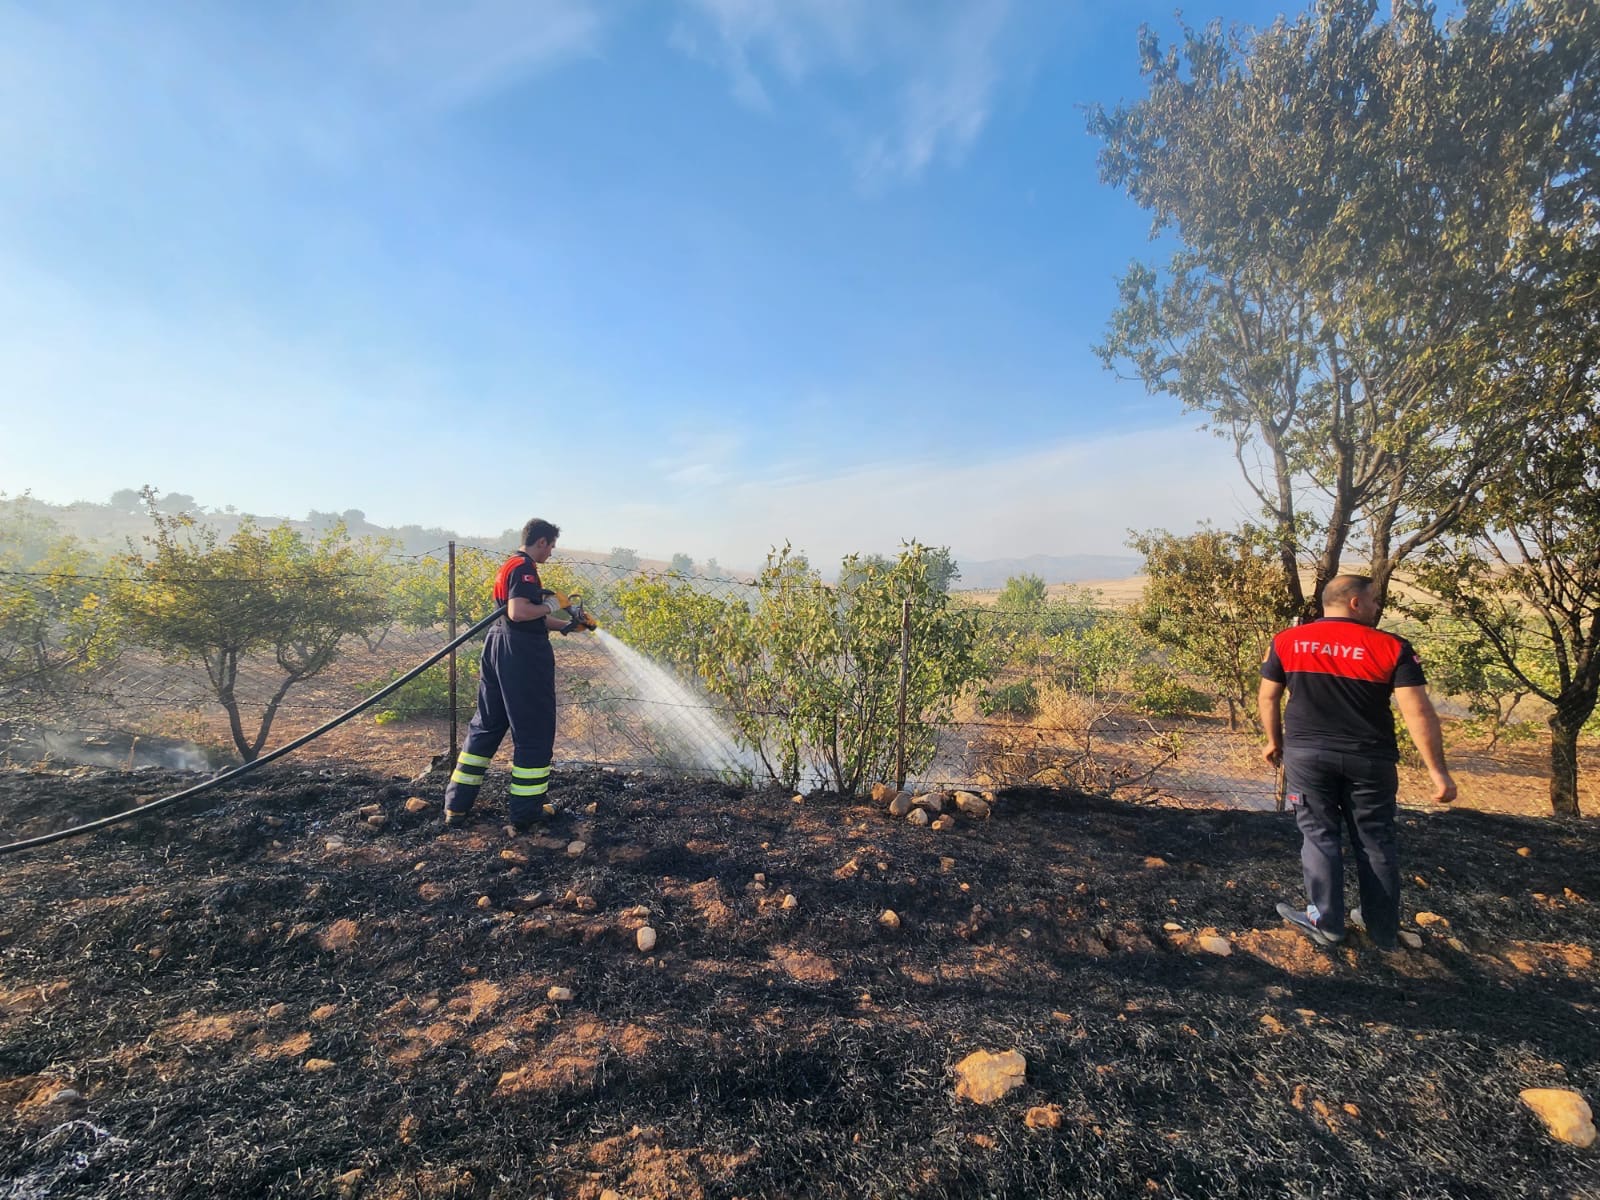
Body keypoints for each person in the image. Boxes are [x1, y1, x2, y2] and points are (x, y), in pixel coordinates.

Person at [1258, 574, 1457, 950]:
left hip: (1308, 758)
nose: (1378, 607)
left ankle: (1327, 921)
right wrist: (1438, 772)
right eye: (1374, 600)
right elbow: (1418, 712)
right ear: (1354, 603)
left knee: (1318, 835)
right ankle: (1382, 930)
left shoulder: (1287, 641)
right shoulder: (1392, 647)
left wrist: (1273, 741)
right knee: (1375, 840)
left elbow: (1268, 697)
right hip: (1371, 760)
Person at [444, 518, 581, 831]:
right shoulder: (525, 567)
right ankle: (526, 812)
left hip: (500, 645)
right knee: (534, 730)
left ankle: (456, 806)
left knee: (487, 725)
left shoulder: (510, 565)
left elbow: (517, 617)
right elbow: (519, 612)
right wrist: (550, 604)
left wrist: (568, 626)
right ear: (542, 541)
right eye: (551, 546)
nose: (551, 553)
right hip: (522, 654)